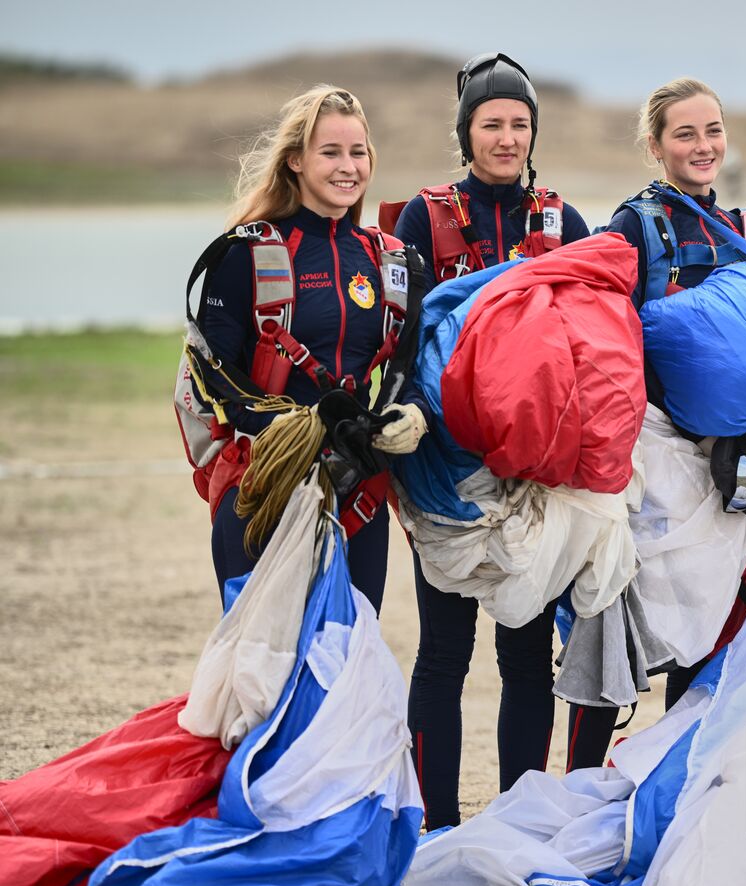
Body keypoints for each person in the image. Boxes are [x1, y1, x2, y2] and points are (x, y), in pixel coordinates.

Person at [388, 52, 608, 830]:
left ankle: (516, 826)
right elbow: (404, 334)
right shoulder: (424, 218)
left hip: (532, 474)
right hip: (443, 469)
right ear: (466, 132)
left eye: (519, 123)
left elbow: (594, 341)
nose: (507, 137)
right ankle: (436, 828)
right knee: (443, 653)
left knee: (523, 656)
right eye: (492, 123)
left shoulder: (563, 222)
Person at [194, 86, 427, 613]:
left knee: (346, 667)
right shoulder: (243, 253)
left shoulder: (391, 263)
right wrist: (295, 432)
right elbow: (215, 372)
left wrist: (407, 413)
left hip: (358, 493)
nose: (348, 166)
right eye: (331, 152)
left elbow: (409, 368)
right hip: (265, 483)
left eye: (358, 152)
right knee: (262, 674)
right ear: (295, 160)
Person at [602, 77, 746, 714]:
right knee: (626, 629)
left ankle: (672, 785)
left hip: (726, 457)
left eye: (712, 130)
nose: (703, 145)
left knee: (707, 628)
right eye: (685, 133)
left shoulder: (739, 227)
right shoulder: (634, 224)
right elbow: (608, 340)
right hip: (652, 457)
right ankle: (585, 787)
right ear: (655, 146)